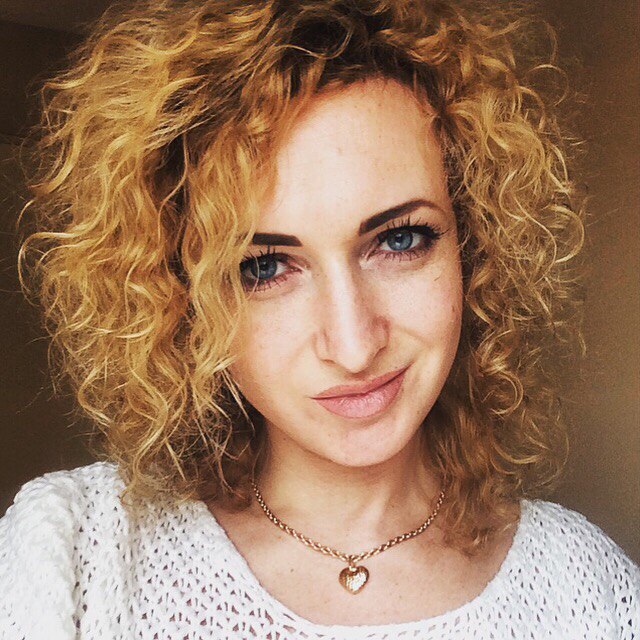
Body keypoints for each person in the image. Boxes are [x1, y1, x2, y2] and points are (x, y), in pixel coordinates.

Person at [1, 0, 638, 637]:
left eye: (400, 240)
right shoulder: (75, 552)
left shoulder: (588, 590)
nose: (354, 345)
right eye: (264, 268)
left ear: (473, 247)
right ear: (181, 297)